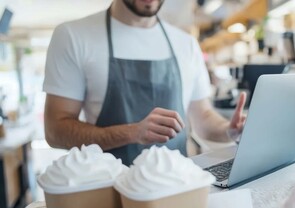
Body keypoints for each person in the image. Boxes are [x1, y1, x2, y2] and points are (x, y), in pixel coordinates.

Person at [43, 0, 246, 166]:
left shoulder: (186, 44)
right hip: (105, 193)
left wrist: (229, 129)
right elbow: (55, 131)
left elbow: (203, 117)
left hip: (177, 188)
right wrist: (132, 133)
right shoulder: (73, 36)